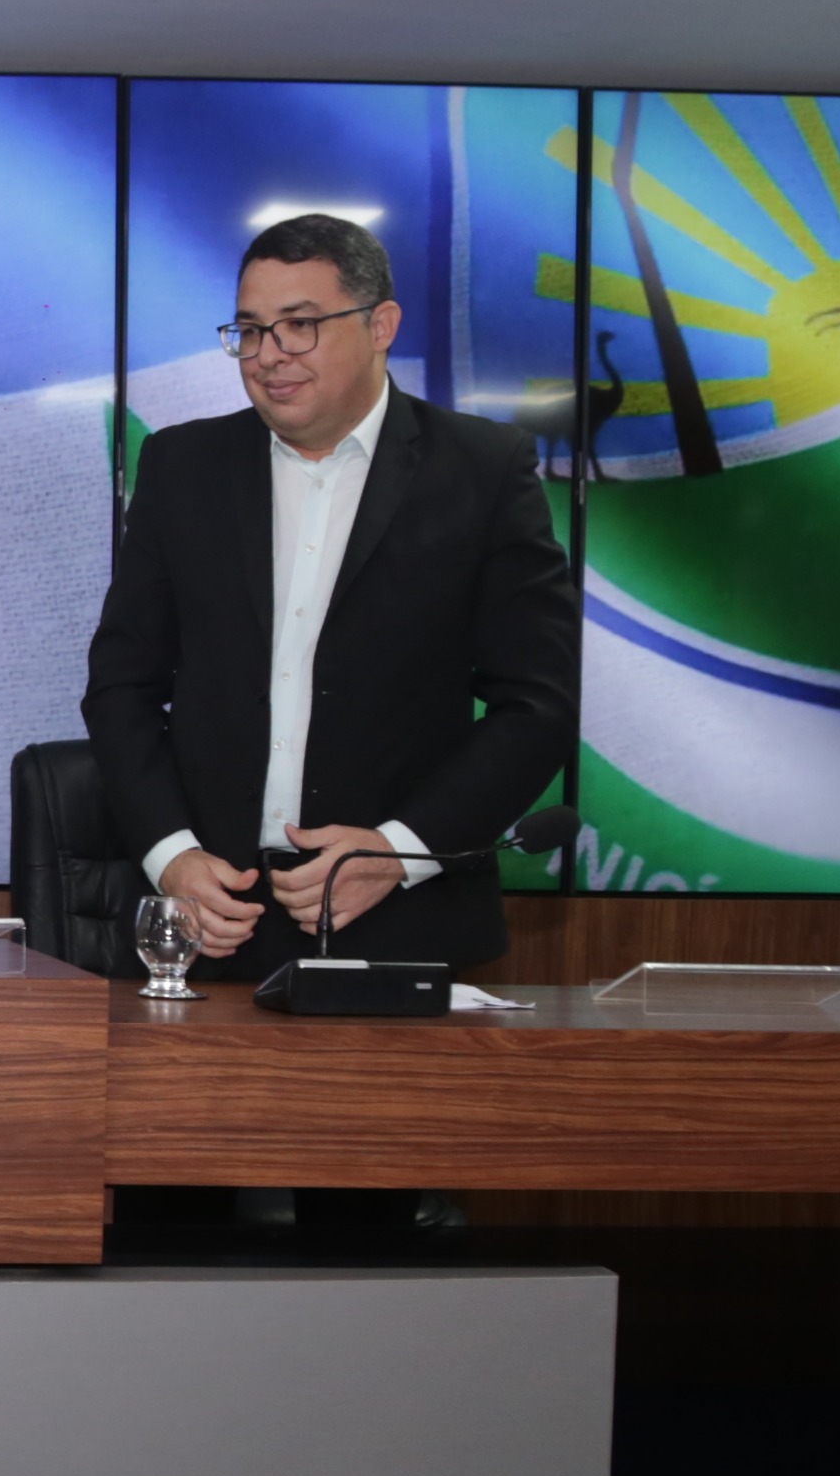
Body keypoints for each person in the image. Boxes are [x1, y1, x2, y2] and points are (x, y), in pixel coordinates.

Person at [81, 212, 577, 983]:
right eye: (250, 330)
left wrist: (399, 852)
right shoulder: (183, 466)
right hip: (210, 923)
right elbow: (121, 688)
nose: (268, 355)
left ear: (381, 325)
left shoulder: (481, 469)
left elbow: (538, 704)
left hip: (401, 923)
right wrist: (172, 857)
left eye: (300, 325)